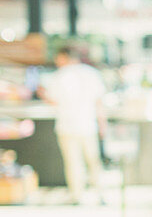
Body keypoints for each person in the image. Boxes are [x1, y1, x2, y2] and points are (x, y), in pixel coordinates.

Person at [40, 44, 107, 204]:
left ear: (63, 57)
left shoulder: (58, 76)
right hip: (88, 124)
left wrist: (42, 94)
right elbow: (99, 102)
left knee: (73, 162)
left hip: (67, 125)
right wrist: (102, 124)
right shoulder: (91, 74)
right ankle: (100, 194)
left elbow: (53, 100)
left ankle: (77, 195)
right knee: (93, 160)